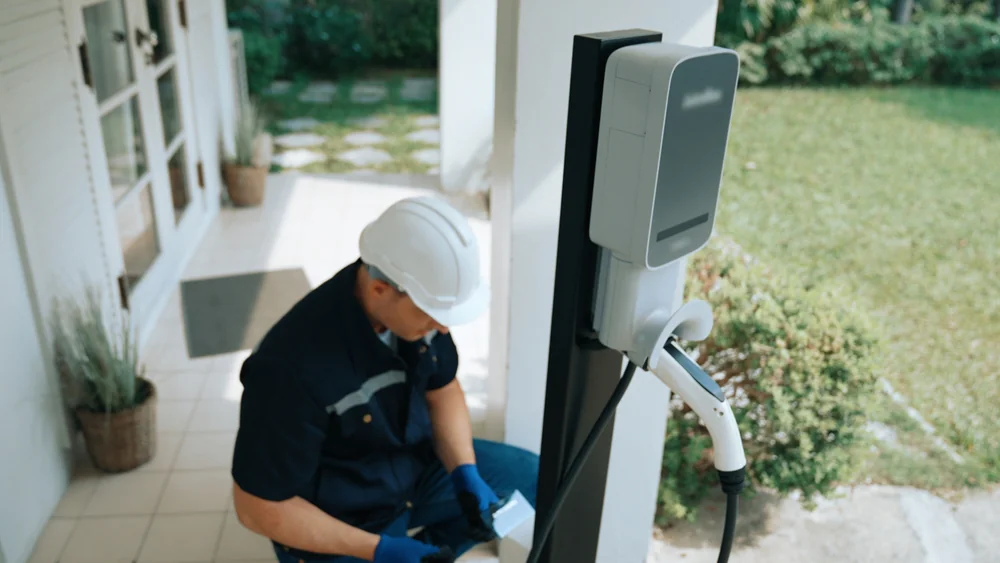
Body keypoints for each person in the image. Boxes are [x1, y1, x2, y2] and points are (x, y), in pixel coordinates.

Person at [230, 195, 539, 563]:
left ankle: (434, 549)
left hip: (412, 469)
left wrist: (464, 471)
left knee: (531, 476)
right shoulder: (289, 368)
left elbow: (444, 390)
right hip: (342, 513)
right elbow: (256, 507)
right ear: (381, 290)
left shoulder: (415, 314)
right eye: (432, 315)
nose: (442, 326)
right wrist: (380, 550)